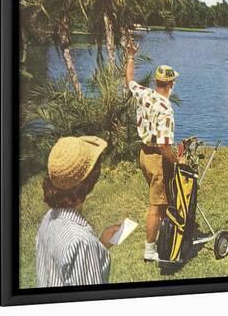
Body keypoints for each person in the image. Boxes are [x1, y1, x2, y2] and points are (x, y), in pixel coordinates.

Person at [36, 136, 120, 287]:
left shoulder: (49, 219)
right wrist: (90, 248)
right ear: (91, 181)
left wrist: (99, 245)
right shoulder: (81, 241)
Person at [125, 39, 181, 262]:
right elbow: (164, 146)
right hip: (157, 159)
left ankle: (164, 234)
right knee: (156, 207)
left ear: (157, 81)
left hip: (143, 155)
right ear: (171, 84)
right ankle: (150, 251)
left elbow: (129, 80)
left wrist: (130, 55)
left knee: (161, 200)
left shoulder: (145, 94)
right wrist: (177, 161)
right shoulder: (166, 109)